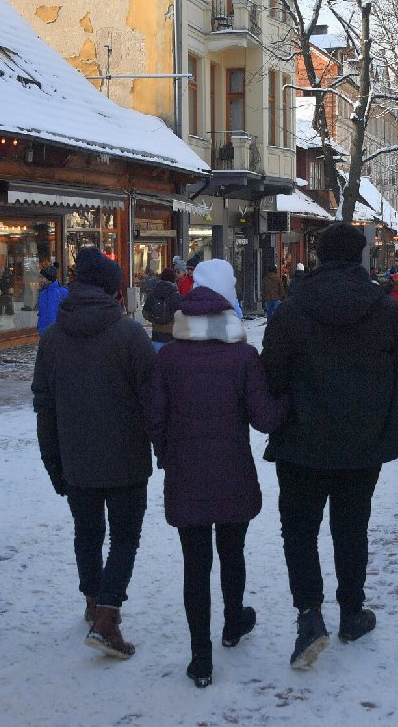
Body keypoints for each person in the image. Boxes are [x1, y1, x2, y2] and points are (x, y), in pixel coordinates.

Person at [260, 223, 398, 670]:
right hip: (361, 441)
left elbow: (270, 373)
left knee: (299, 529)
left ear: (318, 257)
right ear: (361, 258)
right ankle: (352, 611)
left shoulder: (292, 310)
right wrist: (380, 411)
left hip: (300, 440)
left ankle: (309, 614)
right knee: (352, 527)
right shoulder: (384, 309)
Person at [146, 260, 287, 688]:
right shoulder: (244, 356)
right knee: (232, 551)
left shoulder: (169, 356)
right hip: (232, 470)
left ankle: (200, 657)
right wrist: (291, 398)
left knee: (195, 564)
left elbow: (154, 418)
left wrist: (166, 455)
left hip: (186, 472)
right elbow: (264, 419)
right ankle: (232, 622)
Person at [34, 247, 157, 659]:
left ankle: (93, 601)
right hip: (126, 460)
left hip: (76, 459)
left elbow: (44, 406)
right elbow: (152, 402)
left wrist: (53, 461)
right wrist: (165, 448)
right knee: (125, 538)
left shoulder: (52, 338)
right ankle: (107, 616)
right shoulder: (130, 335)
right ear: (112, 290)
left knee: (86, 535)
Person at [142, 267, 182, 350]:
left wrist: (153, 319)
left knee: (158, 360)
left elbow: (145, 313)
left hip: (157, 334)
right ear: (173, 280)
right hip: (173, 335)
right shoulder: (177, 296)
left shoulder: (153, 294)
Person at [36, 264, 68, 334]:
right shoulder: (42, 293)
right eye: (39, 277)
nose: (39, 280)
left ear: (49, 278)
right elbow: (41, 312)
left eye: (42, 277)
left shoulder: (63, 292)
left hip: (59, 334)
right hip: (44, 333)